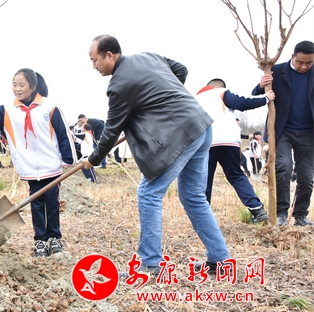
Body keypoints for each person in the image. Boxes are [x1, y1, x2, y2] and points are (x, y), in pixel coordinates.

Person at [83, 34, 230, 274]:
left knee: (149, 193)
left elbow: (110, 131)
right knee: (193, 196)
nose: (94, 66)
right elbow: (181, 70)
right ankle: (221, 259)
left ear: (109, 55)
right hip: (201, 125)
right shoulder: (148, 57)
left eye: (94, 60)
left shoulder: (119, 85)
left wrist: (92, 160)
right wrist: (163, 98)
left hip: (182, 134)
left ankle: (151, 263)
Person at [0, 68, 76, 256]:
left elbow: (63, 134)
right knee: (36, 204)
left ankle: (54, 238)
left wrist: (69, 159)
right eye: (14, 85)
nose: (17, 89)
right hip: (29, 168)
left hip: (51, 166)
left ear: (33, 87)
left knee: (52, 203)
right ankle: (40, 240)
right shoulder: (8, 111)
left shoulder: (49, 108)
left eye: (22, 85)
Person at [252, 40, 314, 226]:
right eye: (300, 62)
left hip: (308, 133)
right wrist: (262, 85)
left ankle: (300, 215)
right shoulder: (277, 71)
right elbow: (255, 93)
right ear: (292, 57)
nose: (304, 66)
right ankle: (280, 213)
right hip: (282, 131)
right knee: (283, 168)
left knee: (306, 177)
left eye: (309, 63)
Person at [195, 78, 273, 223]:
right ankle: (256, 209)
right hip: (228, 140)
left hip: (204, 142)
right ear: (219, 86)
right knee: (236, 175)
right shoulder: (221, 92)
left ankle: (203, 219)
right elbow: (242, 102)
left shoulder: (195, 98)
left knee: (205, 179)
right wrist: (265, 98)